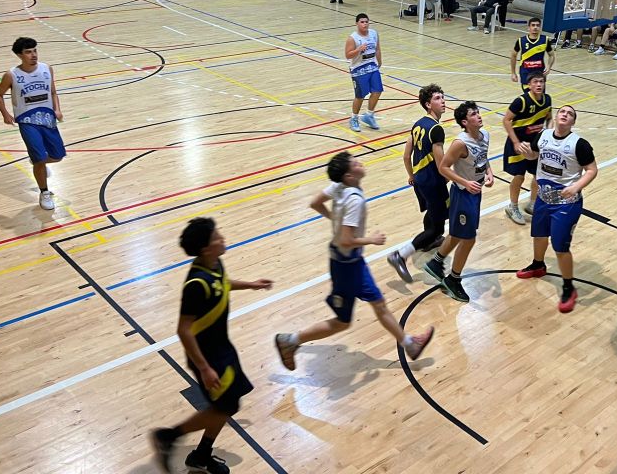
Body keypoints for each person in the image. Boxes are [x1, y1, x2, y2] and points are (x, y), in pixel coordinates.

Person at [274, 153, 434, 372]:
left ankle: (410, 345)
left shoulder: (338, 186)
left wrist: (334, 219)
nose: (360, 162)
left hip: (350, 261)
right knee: (344, 320)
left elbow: (315, 203)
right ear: (349, 176)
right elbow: (346, 240)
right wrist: (371, 239)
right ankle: (290, 341)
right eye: (355, 163)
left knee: (378, 304)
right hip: (346, 265)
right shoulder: (354, 201)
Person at [151, 218, 273, 474]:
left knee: (226, 405)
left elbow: (223, 284)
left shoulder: (215, 264)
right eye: (218, 238)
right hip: (207, 357)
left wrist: (251, 284)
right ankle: (169, 436)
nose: (223, 239)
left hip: (223, 348)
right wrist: (204, 368)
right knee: (227, 406)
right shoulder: (196, 284)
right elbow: (183, 329)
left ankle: (201, 455)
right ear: (206, 248)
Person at [515, 104, 598, 313]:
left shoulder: (579, 144)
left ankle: (569, 287)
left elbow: (592, 170)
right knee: (539, 236)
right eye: (562, 111)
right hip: (543, 198)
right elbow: (534, 156)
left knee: (560, 247)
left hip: (566, 203)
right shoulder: (543, 136)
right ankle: (538, 265)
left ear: (573, 122)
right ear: (557, 116)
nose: (565, 114)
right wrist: (527, 153)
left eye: (570, 114)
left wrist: (576, 186)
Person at [423, 101, 494, 303]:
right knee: (468, 238)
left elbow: (483, 158)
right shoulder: (460, 143)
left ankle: (436, 263)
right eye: (473, 114)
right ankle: (453, 279)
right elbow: (443, 167)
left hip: (475, 192)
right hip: (463, 194)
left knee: (456, 233)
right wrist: (465, 182)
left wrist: (489, 172)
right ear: (464, 122)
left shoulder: (484, 135)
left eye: (478, 112)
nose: (479, 116)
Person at [0, 37, 65, 210]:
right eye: (28, 52)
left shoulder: (47, 69)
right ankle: (44, 192)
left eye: (35, 50)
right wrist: (5, 114)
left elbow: (53, 92)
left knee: (57, 156)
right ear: (20, 55)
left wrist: (57, 109)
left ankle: (37, 161)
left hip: (48, 118)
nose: (33, 55)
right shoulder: (11, 75)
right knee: (39, 159)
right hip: (27, 120)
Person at [388, 84, 448, 283]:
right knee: (437, 227)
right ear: (428, 104)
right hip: (432, 181)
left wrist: (411, 175)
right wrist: (453, 178)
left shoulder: (418, 124)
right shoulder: (436, 129)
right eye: (438, 98)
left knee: (432, 211)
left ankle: (429, 242)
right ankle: (401, 255)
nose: (443, 101)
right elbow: (441, 164)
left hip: (420, 179)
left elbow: (407, 155)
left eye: (442, 97)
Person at [502, 73, 551, 226]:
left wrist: (548, 133)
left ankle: (533, 203)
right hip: (518, 143)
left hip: (535, 144)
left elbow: (549, 117)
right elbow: (506, 120)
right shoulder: (521, 101)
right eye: (535, 82)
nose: (539, 84)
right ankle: (513, 206)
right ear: (529, 85)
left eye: (541, 81)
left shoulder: (547, 99)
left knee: (538, 174)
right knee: (519, 176)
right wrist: (516, 143)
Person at [345, 13, 382, 132]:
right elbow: (348, 55)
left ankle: (369, 115)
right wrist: (358, 49)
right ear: (357, 23)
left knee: (377, 91)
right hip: (358, 69)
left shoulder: (374, 33)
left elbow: (377, 49)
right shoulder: (352, 38)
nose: (365, 24)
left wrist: (379, 61)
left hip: (372, 66)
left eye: (366, 22)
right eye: (362, 22)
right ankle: (354, 118)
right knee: (360, 96)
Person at [510, 17, 555, 88]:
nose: (535, 27)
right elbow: (513, 55)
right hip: (525, 73)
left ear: (540, 28)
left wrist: (549, 67)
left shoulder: (545, 40)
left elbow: (551, 55)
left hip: (540, 74)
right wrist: (513, 73)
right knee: (528, 94)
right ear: (529, 27)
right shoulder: (521, 40)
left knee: (539, 94)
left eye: (537, 25)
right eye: (533, 25)